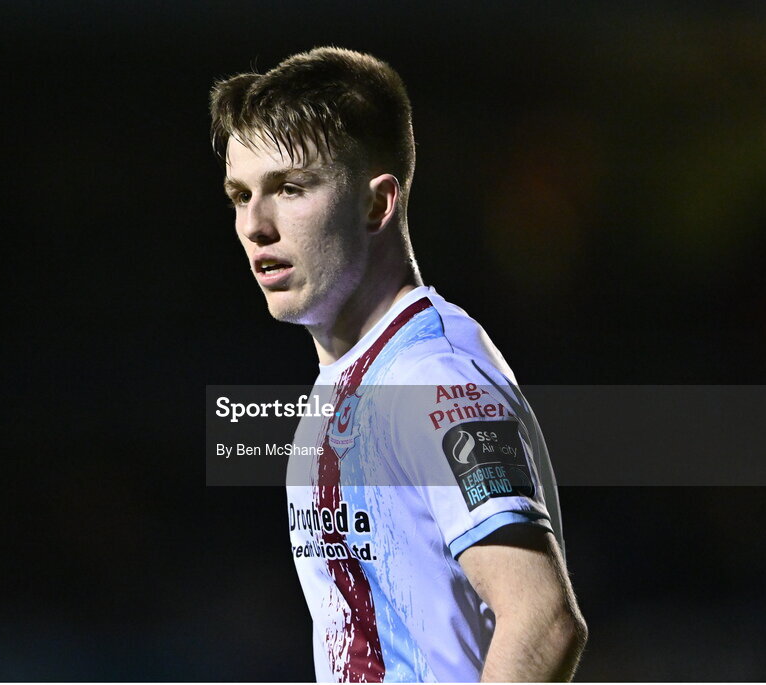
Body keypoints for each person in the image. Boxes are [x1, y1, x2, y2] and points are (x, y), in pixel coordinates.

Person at [209, 47, 587, 682]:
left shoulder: (433, 377)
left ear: (376, 205)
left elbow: (543, 618)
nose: (255, 225)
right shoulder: (353, 378)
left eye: (290, 188)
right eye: (241, 195)